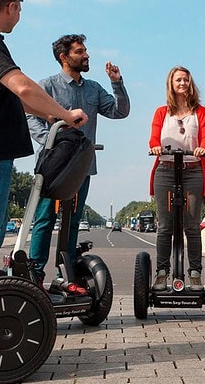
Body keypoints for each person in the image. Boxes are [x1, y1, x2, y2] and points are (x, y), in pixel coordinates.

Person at [0, 0, 88, 299]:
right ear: (11, 6)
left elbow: (11, 97)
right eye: (19, 10)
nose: (19, 17)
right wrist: (66, 114)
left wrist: (50, 115)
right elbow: (22, 86)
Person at [26, 34, 130, 286]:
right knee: (44, 220)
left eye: (85, 51)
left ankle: (65, 274)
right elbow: (30, 116)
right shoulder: (47, 86)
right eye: (80, 51)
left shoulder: (94, 88)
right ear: (64, 57)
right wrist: (49, 140)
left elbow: (120, 112)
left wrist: (116, 83)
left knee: (72, 222)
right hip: (53, 167)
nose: (86, 55)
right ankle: (35, 275)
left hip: (82, 166)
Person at [148, 66, 205, 291]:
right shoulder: (161, 112)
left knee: (192, 226)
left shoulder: (200, 112)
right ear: (171, 84)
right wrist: (155, 146)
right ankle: (162, 272)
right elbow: (153, 138)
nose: (183, 83)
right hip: (166, 170)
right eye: (178, 80)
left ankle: (195, 273)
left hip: (192, 170)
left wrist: (202, 148)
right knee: (165, 226)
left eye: (186, 80)